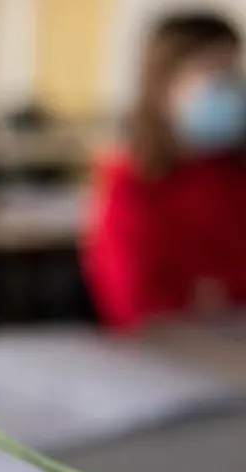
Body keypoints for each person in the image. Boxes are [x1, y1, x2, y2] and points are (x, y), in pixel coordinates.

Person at [82, 12, 246, 331]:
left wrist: (214, 293)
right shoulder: (130, 182)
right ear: (163, 84)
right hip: (167, 354)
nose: (231, 89)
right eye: (214, 75)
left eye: (233, 74)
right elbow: (134, 305)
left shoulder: (233, 176)